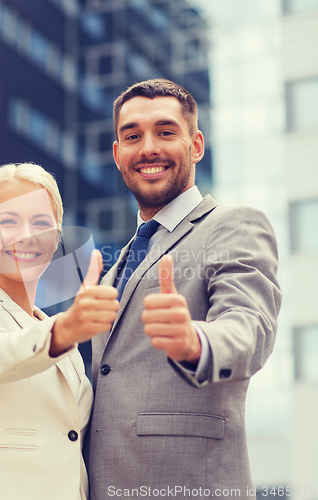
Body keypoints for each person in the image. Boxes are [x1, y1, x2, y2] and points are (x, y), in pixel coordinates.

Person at [84, 80, 282, 499]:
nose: (149, 147)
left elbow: (249, 328)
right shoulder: (113, 268)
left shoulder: (234, 225)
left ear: (196, 145)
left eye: (166, 132)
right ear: (118, 154)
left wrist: (194, 340)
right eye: (133, 136)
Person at [0, 163, 119, 500]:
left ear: (56, 238)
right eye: (9, 221)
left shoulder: (63, 342)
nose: (26, 234)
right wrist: (66, 329)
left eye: (41, 223)